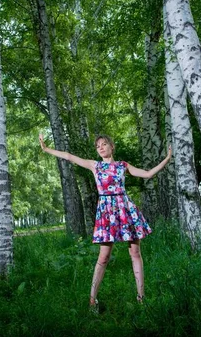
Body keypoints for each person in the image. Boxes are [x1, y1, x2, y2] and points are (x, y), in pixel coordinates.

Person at [39, 133, 172, 312]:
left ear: (111, 146)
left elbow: (147, 174)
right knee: (103, 257)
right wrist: (47, 149)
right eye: (98, 146)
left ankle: (141, 297)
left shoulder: (122, 166)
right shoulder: (95, 166)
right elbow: (70, 157)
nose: (100, 148)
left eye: (104, 144)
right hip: (107, 212)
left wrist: (168, 158)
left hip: (124, 210)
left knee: (135, 253)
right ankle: (92, 299)